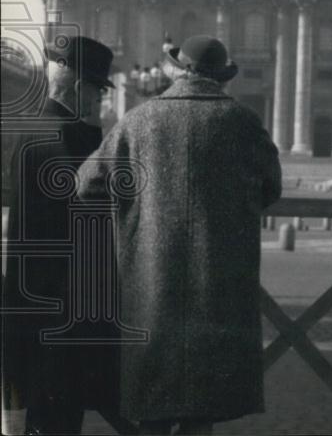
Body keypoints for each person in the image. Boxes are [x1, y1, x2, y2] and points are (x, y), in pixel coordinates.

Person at [76, 35, 282, 434]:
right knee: (199, 413)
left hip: (150, 289)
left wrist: (136, 207)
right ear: (221, 77)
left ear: (177, 69)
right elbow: (270, 187)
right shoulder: (242, 120)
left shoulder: (139, 120)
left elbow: (87, 184)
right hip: (217, 289)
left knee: (152, 409)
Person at [2, 36, 119, 435]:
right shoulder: (68, 137)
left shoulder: (30, 126)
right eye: (98, 89)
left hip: (29, 300)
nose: (100, 100)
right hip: (64, 310)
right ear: (79, 86)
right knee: (58, 420)